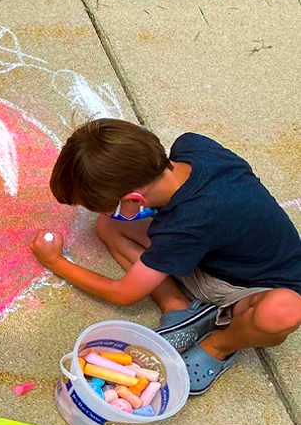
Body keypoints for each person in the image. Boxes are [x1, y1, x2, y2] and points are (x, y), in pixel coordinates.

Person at [30, 119, 301, 395]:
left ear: (135, 199)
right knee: (109, 225)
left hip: (252, 289)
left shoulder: (188, 223)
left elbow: (124, 294)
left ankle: (218, 345)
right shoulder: (192, 145)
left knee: (282, 312)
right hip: (210, 254)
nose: (110, 211)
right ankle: (179, 309)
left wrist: (56, 262)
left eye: (113, 206)